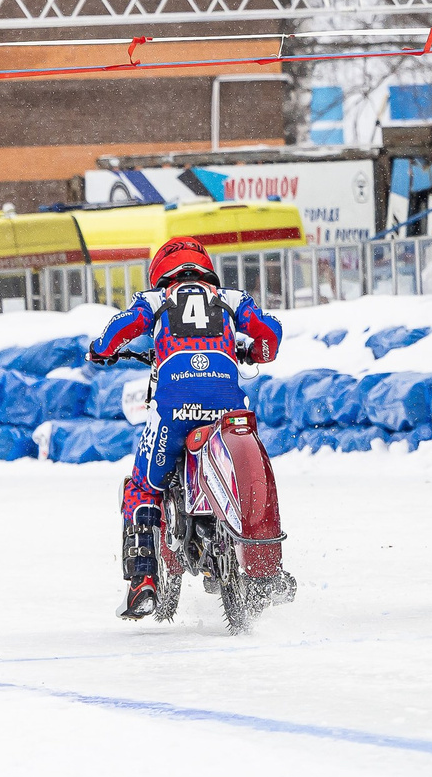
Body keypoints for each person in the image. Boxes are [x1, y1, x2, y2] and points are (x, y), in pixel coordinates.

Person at [88, 237, 286, 620]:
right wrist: (256, 353)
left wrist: (102, 348)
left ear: (162, 271)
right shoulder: (231, 297)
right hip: (227, 402)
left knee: (143, 486)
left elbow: (121, 329)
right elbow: (270, 332)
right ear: (206, 266)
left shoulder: (154, 300)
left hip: (175, 403)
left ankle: (142, 582)